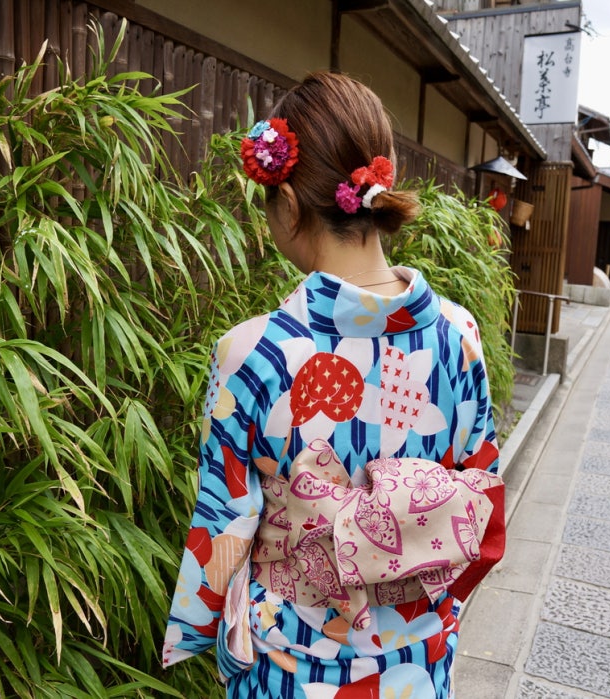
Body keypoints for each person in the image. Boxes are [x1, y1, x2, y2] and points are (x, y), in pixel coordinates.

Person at [162, 72, 505, 698]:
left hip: (292, 663)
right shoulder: (460, 335)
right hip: (415, 661)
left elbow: (225, 523)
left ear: (289, 205)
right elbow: (479, 505)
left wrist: (196, 627)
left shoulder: (252, 353)